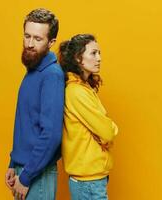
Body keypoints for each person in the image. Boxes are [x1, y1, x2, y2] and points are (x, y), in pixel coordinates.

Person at [5, 8, 64, 200]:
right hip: (25, 168)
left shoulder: (51, 75)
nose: (30, 44)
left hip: (37, 173)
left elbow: (51, 135)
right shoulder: (33, 70)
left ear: (51, 42)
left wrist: (27, 176)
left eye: (38, 39)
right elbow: (26, 122)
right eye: (27, 36)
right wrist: (13, 163)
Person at [58, 34, 118, 200]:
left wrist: (106, 129)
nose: (99, 58)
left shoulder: (84, 88)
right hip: (88, 181)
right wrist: (110, 129)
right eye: (93, 53)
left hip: (92, 178)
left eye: (99, 53)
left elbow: (103, 128)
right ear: (78, 58)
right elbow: (107, 131)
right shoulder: (76, 92)